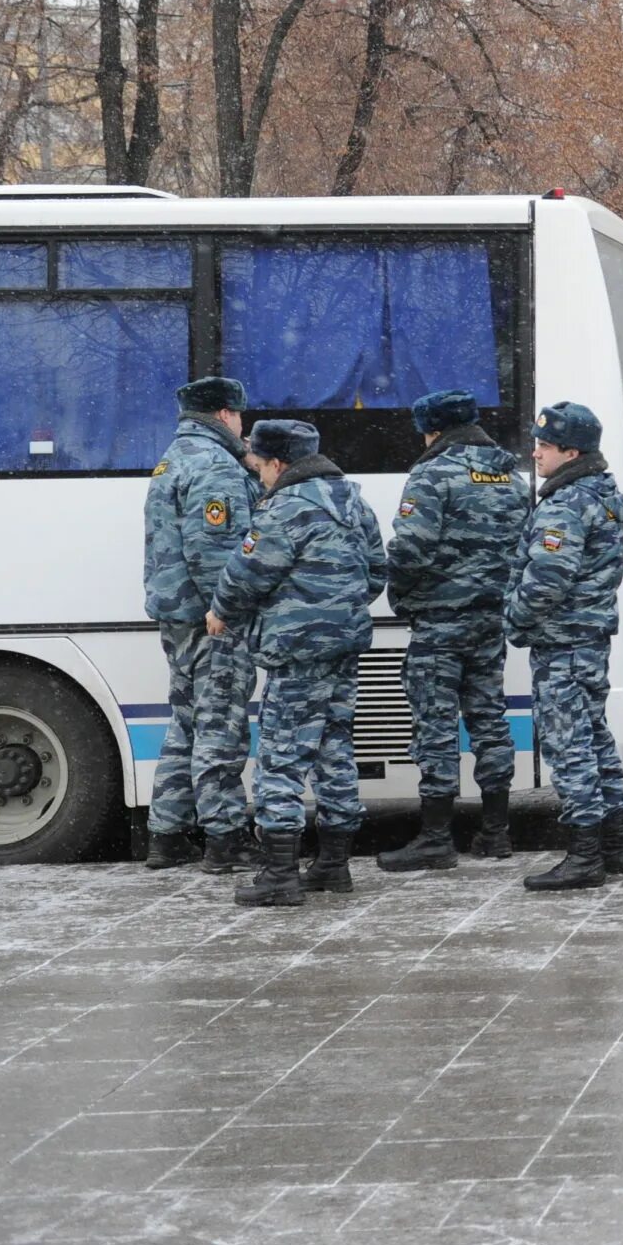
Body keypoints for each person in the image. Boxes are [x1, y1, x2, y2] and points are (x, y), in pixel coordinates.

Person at [210, 420, 387, 907]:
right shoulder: (354, 501)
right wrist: (335, 607)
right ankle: (334, 863)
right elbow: (377, 572)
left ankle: (280, 874)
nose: (259, 476)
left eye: (261, 466)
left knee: (281, 757)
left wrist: (221, 611)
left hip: (296, 651)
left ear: (280, 462)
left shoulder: (283, 510)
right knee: (334, 749)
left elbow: (245, 576)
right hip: (344, 645)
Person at [377, 389, 523, 872]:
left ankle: (437, 837)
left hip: (440, 622)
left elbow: (411, 549)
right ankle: (497, 832)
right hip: (490, 619)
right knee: (489, 720)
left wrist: (398, 590)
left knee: (436, 728)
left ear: (432, 430)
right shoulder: (510, 473)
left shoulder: (432, 473)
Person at [508, 401, 623, 891]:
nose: (535, 453)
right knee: (595, 739)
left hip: (562, 641)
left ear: (571, 451)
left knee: (568, 745)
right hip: (587, 638)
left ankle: (585, 856)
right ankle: (614, 846)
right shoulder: (599, 494)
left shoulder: (565, 503)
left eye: (544, 446)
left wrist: (516, 619)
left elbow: (547, 579)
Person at [140, 376, 261, 872]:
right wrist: (227, 611)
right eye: (240, 416)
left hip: (178, 615)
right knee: (220, 724)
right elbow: (216, 554)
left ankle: (165, 836)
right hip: (211, 619)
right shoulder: (215, 466)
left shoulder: (175, 458)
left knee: (187, 720)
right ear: (227, 414)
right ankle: (225, 836)